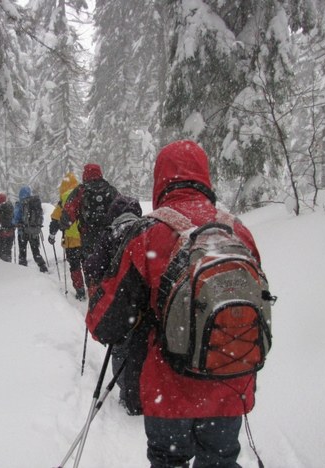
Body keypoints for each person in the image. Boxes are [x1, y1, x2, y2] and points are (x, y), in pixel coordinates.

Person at [85, 140, 263, 468]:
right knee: (221, 461)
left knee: (169, 462)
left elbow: (106, 322)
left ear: (160, 180)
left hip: (170, 391)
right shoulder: (237, 230)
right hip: (229, 380)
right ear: (204, 177)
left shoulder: (149, 234)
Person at [83, 194, 148, 416]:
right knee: (144, 347)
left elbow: (93, 267)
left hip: (120, 301)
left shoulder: (110, 233)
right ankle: (143, 393)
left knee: (120, 346)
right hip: (146, 302)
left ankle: (128, 395)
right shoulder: (147, 229)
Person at [59, 163, 119, 286]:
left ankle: (93, 293)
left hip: (88, 237)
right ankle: (108, 293)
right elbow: (121, 209)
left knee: (90, 266)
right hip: (109, 235)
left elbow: (68, 213)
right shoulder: (110, 190)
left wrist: (64, 225)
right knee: (109, 265)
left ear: (85, 174)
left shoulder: (80, 191)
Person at [47, 172, 86, 301]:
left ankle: (80, 291)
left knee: (75, 266)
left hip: (70, 241)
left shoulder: (64, 199)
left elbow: (55, 220)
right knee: (88, 264)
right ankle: (93, 287)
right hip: (86, 238)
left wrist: (52, 235)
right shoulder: (83, 194)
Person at [13, 186, 48, 273]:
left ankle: (23, 271)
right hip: (34, 231)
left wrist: (16, 223)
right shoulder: (35, 202)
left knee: (22, 252)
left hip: (22, 232)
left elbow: (15, 220)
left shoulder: (20, 204)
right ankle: (43, 267)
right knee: (36, 251)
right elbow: (41, 216)